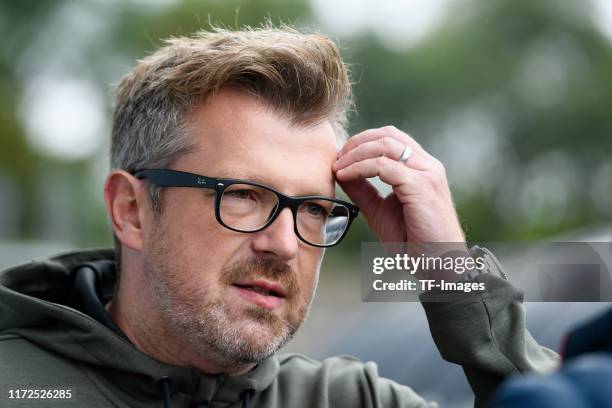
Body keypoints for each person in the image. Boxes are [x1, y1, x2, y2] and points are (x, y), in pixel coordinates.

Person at [0, 26, 558, 407]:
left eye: (313, 208)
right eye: (242, 195)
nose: (284, 244)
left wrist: (451, 277)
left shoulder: (350, 400)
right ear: (132, 210)